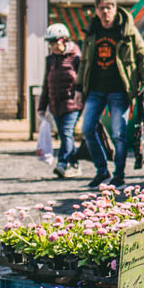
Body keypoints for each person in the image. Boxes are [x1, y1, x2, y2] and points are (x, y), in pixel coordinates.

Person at [78, 0, 144, 191]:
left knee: (119, 134)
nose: (105, 12)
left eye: (108, 7)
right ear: (96, 10)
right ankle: (102, 170)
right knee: (87, 129)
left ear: (115, 9)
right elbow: (84, 62)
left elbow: (143, 56)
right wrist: (78, 88)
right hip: (95, 89)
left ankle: (119, 175)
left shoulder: (127, 30)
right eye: (101, 8)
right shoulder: (93, 31)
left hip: (120, 89)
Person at [37, 23, 83, 179]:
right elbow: (46, 82)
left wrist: (81, 95)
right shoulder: (50, 60)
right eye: (50, 43)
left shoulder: (76, 57)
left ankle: (62, 163)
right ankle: (75, 162)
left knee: (66, 132)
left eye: (55, 42)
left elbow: (82, 80)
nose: (53, 46)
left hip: (72, 103)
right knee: (65, 135)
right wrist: (42, 106)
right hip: (55, 104)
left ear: (64, 40)